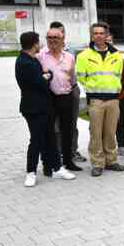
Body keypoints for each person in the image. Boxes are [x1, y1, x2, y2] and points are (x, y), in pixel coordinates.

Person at [17, 32, 76, 187]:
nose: (41, 44)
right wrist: (48, 76)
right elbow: (39, 83)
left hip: (45, 107)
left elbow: (40, 79)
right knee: (36, 140)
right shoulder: (25, 62)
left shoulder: (31, 59)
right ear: (34, 44)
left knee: (50, 137)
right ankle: (31, 172)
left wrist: (44, 77)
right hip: (33, 109)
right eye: (39, 42)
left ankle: (56, 168)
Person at [76, 23, 124, 177]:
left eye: (101, 33)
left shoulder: (117, 55)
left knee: (110, 133)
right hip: (96, 100)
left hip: (113, 100)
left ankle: (111, 161)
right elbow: (80, 77)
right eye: (95, 33)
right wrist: (93, 88)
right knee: (96, 133)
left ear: (106, 35)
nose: (98, 35)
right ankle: (98, 163)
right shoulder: (84, 55)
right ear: (92, 36)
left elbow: (119, 75)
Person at [37, 28, 82, 172]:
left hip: (66, 97)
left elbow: (72, 77)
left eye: (56, 37)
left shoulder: (69, 57)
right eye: (49, 37)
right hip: (48, 98)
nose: (52, 40)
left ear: (62, 39)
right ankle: (49, 162)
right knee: (49, 130)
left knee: (67, 130)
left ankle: (69, 161)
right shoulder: (40, 56)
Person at [49, 21, 85, 163]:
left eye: (61, 32)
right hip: (54, 93)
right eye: (55, 33)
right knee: (56, 125)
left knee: (72, 123)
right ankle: (59, 153)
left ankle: (72, 151)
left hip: (72, 90)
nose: (59, 35)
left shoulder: (71, 51)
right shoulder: (44, 53)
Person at [107, 34, 124, 158]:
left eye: (110, 40)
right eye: (106, 41)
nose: (108, 43)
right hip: (103, 97)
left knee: (121, 121)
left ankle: (121, 145)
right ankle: (104, 148)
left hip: (119, 96)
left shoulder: (119, 57)